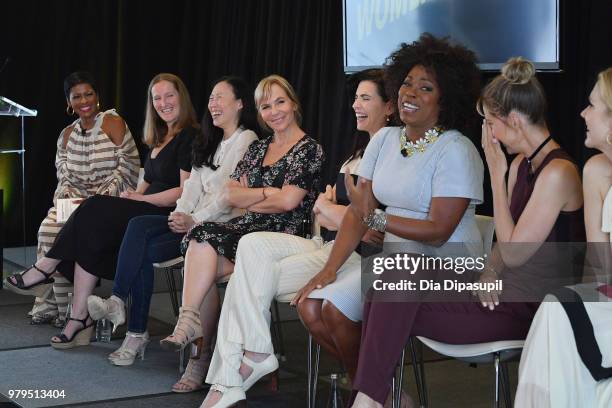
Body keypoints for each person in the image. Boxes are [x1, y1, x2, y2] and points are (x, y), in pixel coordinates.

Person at [200, 68, 394, 407]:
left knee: (245, 277)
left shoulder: (389, 153)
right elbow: (231, 193)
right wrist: (334, 211)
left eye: (365, 98)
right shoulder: (358, 153)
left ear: (388, 106)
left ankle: (232, 377)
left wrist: (335, 212)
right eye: (355, 98)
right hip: (337, 248)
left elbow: (377, 225)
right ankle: (238, 370)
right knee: (248, 256)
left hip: (360, 256)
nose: (355, 105)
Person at [159, 74, 323, 406]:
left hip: (285, 235)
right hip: (247, 230)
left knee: (202, 260)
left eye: (280, 102)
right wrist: (266, 193)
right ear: (259, 111)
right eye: (266, 106)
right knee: (200, 240)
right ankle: (192, 323)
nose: (274, 111)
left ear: (293, 103)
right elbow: (231, 194)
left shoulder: (309, 149)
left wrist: (254, 196)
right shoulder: (259, 147)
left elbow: (290, 203)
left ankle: (205, 353)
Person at [5, 73, 198, 349]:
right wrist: (135, 197)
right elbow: (70, 178)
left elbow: (177, 189)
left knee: (92, 209)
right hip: (121, 206)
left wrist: (134, 199)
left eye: (169, 96)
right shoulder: (159, 137)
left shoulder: (185, 135)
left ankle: (43, 269)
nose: (163, 103)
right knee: (71, 223)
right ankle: (75, 317)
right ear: (68, 102)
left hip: (153, 212)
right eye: (157, 98)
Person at [85, 76, 258, 370]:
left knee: (139, 240)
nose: (213, 104)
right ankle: (120, 307)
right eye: (211, 98)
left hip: (219, 228)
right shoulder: (210, 138)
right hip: (192, 223)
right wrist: (181, 213)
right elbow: (192, 187)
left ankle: (132, 325)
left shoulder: (246, 139)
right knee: (137, 228)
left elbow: (227, 196)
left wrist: (194, 218)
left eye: (220, 98)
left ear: (240, 103)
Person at [4, 71, 140, 327]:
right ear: (69, 102)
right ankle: (59, 305)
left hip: (111, 204)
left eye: (89, 94)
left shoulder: (113, 122)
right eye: (76, 96)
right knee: (49, 228)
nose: (84, 100)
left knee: (79, 226)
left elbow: (128, 169)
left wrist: (95, 203)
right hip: (77, 203)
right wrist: (69, 202)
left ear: (97, 97)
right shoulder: (66, 135)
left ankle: (65, 309)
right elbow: (64, 179)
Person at [515, 67, 612, 408]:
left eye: (593, 105)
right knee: (558, 309)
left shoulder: (559, 170)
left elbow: (512, 254)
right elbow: (601, 268)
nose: (583, 113)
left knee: (558, 309)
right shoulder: (597, 170)